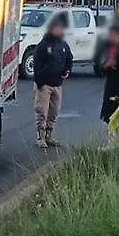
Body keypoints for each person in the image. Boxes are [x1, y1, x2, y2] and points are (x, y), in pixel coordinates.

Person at [32, 13, 73, 148]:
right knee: (42, 111)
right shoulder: (43, 45)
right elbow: (37, 65)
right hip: (44, 84)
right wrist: (39, 82)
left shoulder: (63, 45)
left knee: (54, 111)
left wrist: (67, 70)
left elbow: (69, 59)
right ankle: (40, 137)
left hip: (57, 84)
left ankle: (49, 136)